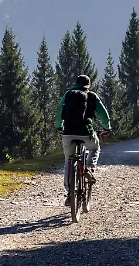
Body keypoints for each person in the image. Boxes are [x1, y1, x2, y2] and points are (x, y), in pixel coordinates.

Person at [56, 74, 111, 206]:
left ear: (76, 84)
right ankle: (89, 168)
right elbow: (103, 114)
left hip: (68, 133)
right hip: (86, 133)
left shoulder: (68, 95)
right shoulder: (92, 96)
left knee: (68, 161)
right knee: (95, 148)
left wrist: (59, 127)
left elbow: (59, 113)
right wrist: (107, 128)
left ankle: (70, 193)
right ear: (88, 85)